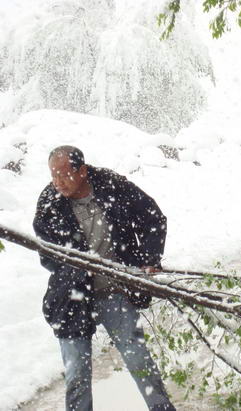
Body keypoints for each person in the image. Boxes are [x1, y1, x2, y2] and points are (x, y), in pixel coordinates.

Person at [33, 145, 176, 411]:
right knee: (76, 374)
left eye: (64, 175)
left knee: (139, 361)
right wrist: (76, 269)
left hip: (115, 292)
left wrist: (149, 261)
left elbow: (152, 218)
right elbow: (47, 254)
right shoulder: (49, 203)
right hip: (71, 298)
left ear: (83, 170)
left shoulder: (112, 187)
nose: (58, 182)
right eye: (53, 176)